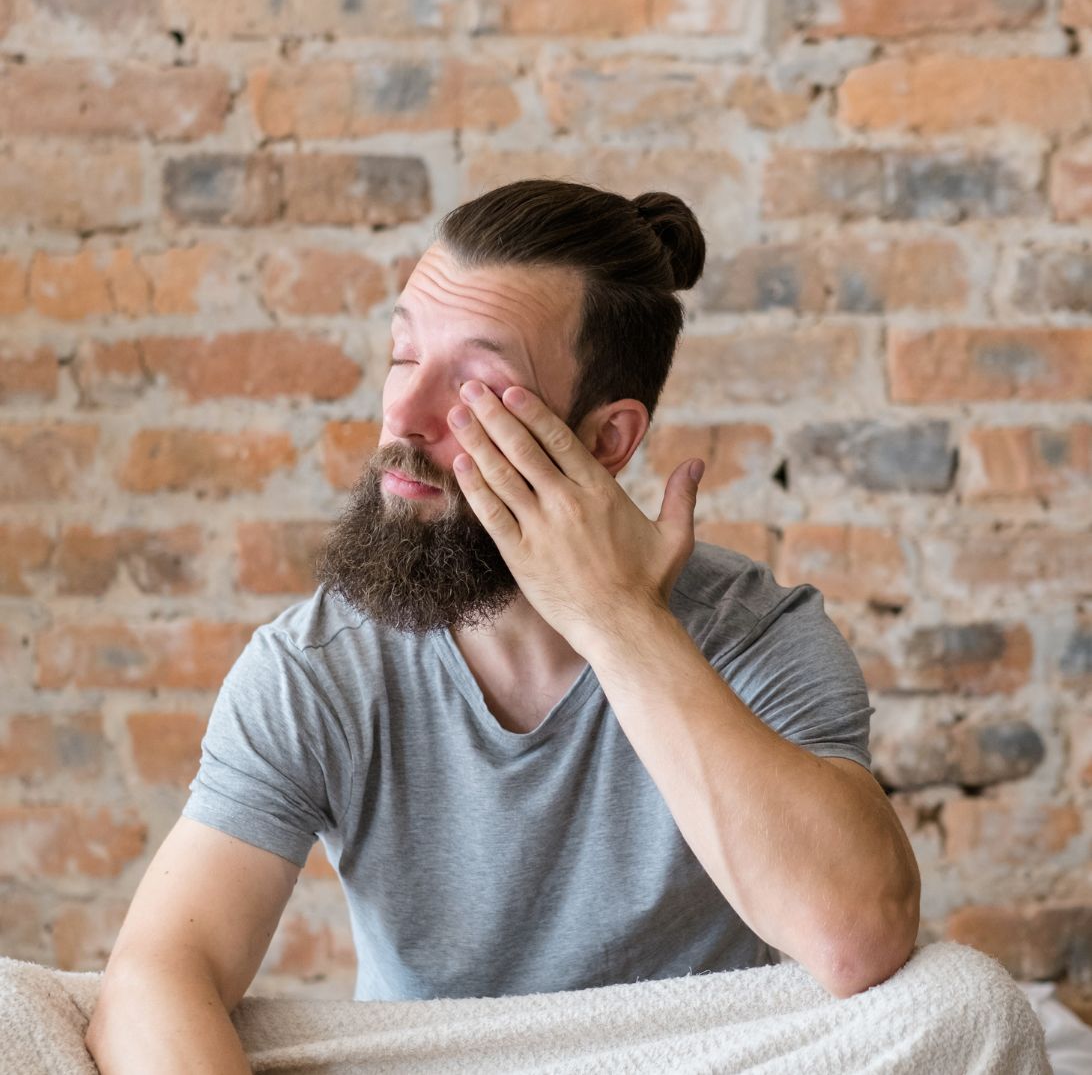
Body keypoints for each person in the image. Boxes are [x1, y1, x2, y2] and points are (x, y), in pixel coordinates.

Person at [83, 179, 921, 1071]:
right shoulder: (318, 666)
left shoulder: (754, 633)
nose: (402, 417)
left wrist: (619, 621)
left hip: (689, 1060)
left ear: (606, 440)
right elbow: (160, 970)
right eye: (403, 355)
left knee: (967, 1007)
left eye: (476, 382)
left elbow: (857, 940)